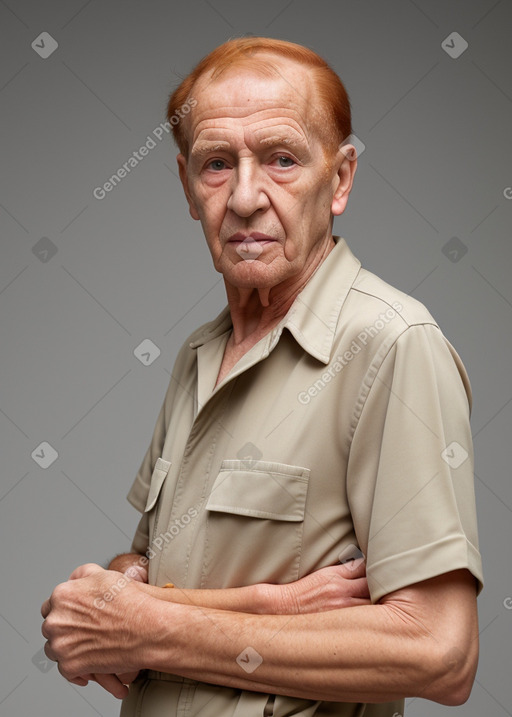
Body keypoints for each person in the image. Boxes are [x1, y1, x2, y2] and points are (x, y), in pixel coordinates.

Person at [41, 37, 484, 716]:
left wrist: (148, 624)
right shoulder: (198, 352)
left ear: (339, 181)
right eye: (218, 164)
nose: (246, 197)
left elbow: (440, 652)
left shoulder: (392, 343)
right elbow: (146, 569)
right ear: (188, 187)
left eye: (282, 159)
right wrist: (111, 599)